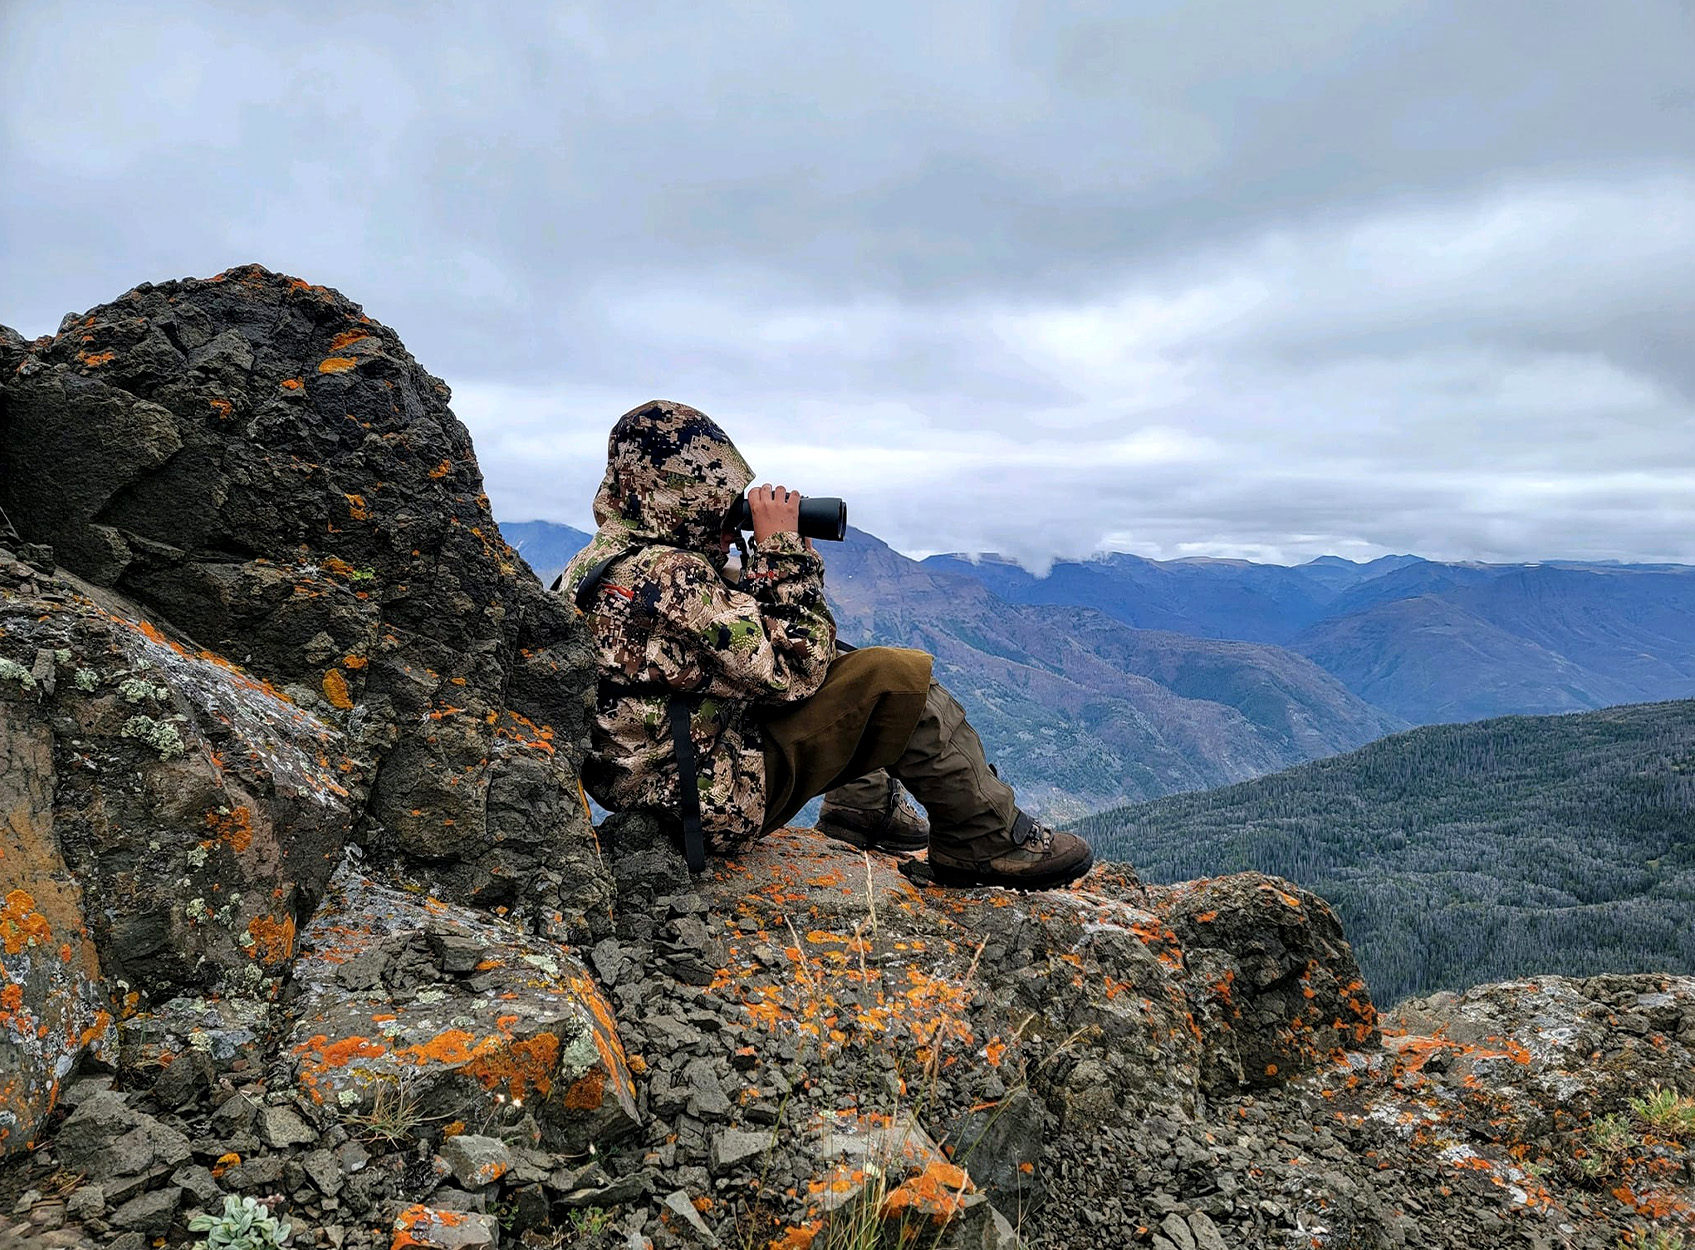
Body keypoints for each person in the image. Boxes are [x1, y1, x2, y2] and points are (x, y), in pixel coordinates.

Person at [558, 399, 1094, 890]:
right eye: (718, 506)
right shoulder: (673, 577)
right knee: (894, 678)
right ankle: (986, 842)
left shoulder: (603, 562)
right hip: (705, 802)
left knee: (847, 660)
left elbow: (721, 640)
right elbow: (799, 670)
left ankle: (864, 810)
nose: (729, 522)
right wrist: (786, 556)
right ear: (684, 499)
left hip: (659, 783)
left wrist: (771, 565)